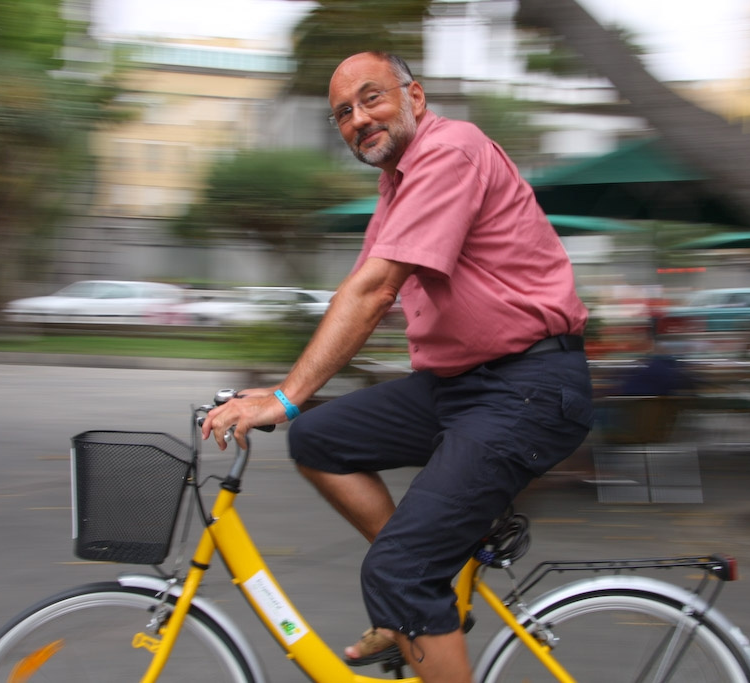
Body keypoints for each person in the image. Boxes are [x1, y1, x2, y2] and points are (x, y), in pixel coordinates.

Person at [202, 51, 593, 683]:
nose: (358, 119)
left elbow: (374, 290)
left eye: (371, 98)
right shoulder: (397, 187)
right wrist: (281, 391)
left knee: (399, 570)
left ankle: (411, 582)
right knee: (320, 438)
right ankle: (418, 587)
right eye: (342, 113)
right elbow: (356, 293)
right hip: (460, 386)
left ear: (415, 96)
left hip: (527, 388)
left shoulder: (451, 152)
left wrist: (286, 395)